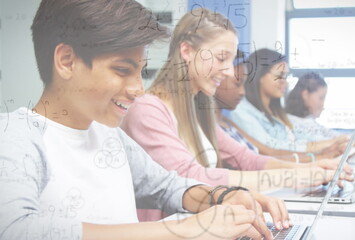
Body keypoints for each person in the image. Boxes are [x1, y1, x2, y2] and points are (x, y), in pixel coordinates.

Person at [0, 1, 283, 239]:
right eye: (122, 70)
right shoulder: (15, 135)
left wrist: (219, 196)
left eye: (139, 71)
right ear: (66, 61)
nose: (138, 89)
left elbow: (167, 187)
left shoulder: (109, 135)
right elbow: (16, 229)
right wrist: (184, 228)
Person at [121, 7, 353, 222]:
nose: (229, 70)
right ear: (187, 51)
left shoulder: (197, 112)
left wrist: (315, 168)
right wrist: (301, 176)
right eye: (222, 58)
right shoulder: (147, 110)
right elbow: (193, 177)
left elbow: (247, 159)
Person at [215, 54, 342, 162]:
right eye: (280, 75)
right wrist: (321, 154)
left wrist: (324, 152)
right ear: (260, 76)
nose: (285, 83)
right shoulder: (240, 113)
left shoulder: (273, 112)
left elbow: (270, 151)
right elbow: (267, 152)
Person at [285, 72, 343, 141]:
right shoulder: (288, 124)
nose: (322, 104)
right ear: (305, 94)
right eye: (321, 98)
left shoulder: (311, 123)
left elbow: (338, 137)